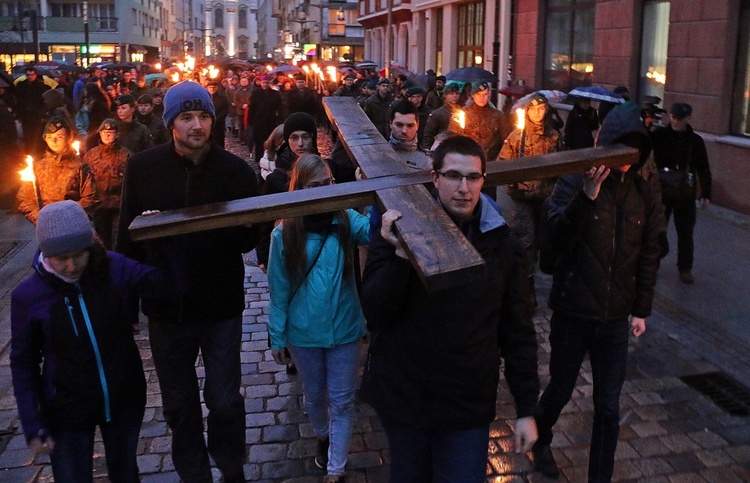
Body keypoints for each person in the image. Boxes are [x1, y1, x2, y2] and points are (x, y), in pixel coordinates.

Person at [360, 135, 539, 482]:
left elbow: (518, 330)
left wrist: (526, 408)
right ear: (435, 178)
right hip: (406, 395)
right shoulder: (397, 228)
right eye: (454, 176)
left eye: (473, 177)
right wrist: (399, 257)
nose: (464, 188)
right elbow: (375, 311)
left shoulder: (502, 245)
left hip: (466, 401)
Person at [116, 81, 260, 483]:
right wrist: (126, 305)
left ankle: (232, 469)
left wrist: (248, 224)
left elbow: (248, 240)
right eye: (187, 117)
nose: (197, 125)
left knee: (225, 400)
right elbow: (127, 237)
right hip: (167, 309)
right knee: (179, 405)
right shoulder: (144, 168)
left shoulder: (235, 172)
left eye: (203, 116)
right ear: (171, 123)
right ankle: (194, 475)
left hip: (220, 305)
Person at [532, 107, 662, 482]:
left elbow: (649, 249)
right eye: (620, 148)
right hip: (574, 310)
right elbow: (552, 248)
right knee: (560, 388)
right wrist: (587, 197)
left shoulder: (644, 186)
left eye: (635, 149)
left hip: (615, 319)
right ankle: (540, 439)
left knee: (608, 407)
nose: (626, 158)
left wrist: (641, 309)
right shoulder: (576, 180)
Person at [10, 200, 166, 482]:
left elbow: (164, 283)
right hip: (66, 410)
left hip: (123, 397)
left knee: (125, 472)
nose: (71, 266)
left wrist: (155, 235)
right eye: (61, 258)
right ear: (46, 254)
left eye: (79, 255)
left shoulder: (112, 268)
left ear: (90, 245)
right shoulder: (28, 295)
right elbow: (23, 363)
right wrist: (33, 424)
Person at [267, 154, 376, 482]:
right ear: (300, 189)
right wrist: (277, 336)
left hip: (344, 327)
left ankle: (335, 469)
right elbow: (278, 289)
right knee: (315, 394)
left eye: (328, 183)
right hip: (304, 332)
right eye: (316, 186)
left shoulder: (344, 220)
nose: (325, 191)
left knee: (342, 400)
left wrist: (369, 194)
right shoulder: (284, 234)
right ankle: (322, 435)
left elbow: (373, 232)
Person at [499, 93, 564, 306]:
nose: (538, 112)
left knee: (544, 242)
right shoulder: (517, 136)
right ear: (527, 111)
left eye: (542, 109)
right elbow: (502, 163)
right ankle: (527, 290)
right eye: (534, 109)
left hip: (546, 198)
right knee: (526, 241)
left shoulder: (553, 136)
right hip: (523, 197)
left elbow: (562, 164)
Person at [650, 102, 711, 284]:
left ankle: (685, 268)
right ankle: (653, 264)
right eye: (673, 117)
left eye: (679, 118)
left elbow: (703, 168)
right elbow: (645, 150)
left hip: (685, 193)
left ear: (687, 119)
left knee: (685, 232)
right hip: (662, 191)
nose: (675, 121)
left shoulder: (695, 141)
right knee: (658, 230)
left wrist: (706, 193)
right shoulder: (659, 135)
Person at [17, 117, 98, 224]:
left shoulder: (79, 166)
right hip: (46, 225)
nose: (54, 141)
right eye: (50, 137)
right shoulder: (37, 167)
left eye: (59, 136)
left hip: (71, 224)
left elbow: (90, 198)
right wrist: (40, 217)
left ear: (68, 138)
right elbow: (26, 199)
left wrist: (66, 215)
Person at [83, 118, 130, 249]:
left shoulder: (126, 155)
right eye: (104, 132)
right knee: (101, 243)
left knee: (117, 241)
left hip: (118, 207)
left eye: (111, 132)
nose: (107, 135)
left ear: (117, 134)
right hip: (98, 208)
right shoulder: (91, 155)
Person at [463, 80, 512, 162]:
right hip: (468, 160)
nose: (482, 98)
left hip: (492, 161)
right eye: (478, 94)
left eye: (485, 94)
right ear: (472, 95)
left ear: (489, 95)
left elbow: (506, 139)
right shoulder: (464, 115)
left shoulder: (498, 116)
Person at [248, 74, 284, 163]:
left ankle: (269, 157)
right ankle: (259, 158)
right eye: (264, 82)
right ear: (260, 82)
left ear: (270, 83)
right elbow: (252, 107)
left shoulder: (275, 94)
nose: (265, 84)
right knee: (259, 141)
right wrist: (250, 120)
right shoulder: (255, 93)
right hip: (258, 120)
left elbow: (279, 107)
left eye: (267, 83)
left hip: (270, 121)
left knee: (270, 140)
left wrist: (280, 119)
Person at [16, 67, 51, 156]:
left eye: (32, 75)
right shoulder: (21, 86)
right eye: (28, 75)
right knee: (27, 135)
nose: (30, 77)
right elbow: (19, 101)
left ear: (35, 75)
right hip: (26, 115)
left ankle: (36, 152)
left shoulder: (40, 86)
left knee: (36, 135)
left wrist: (41, 113)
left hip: (36, 115)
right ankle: (29, 152)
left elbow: (43, 101)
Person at [422, 80, 463, 149]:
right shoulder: (437, 114)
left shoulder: (462, 112)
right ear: (445, 95)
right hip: (442, 148)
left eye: (457, 93)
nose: (455, 96)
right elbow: (428, 135)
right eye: (452, 93)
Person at [206, 80, 230, 148]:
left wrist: (216, 119)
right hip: (207, 125)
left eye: (214, 87)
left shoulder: (223, 98)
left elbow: (225, 110)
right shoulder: (205, 98)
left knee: (219, 144)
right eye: (210, 87)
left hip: (219, 125)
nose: (212, 89)